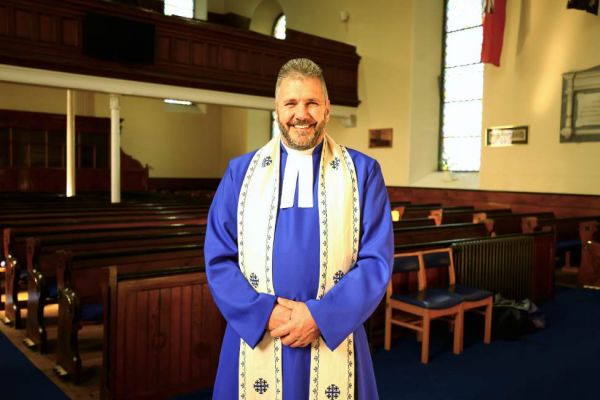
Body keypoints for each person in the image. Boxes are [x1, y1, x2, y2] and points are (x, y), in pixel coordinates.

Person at [204, 58, 393, 400]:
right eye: (291, 103)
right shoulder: (240, 174)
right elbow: (219, 259)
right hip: (259, 334)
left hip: (335, 335)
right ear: (276, 109)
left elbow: (377, 262)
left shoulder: (363, 174)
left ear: (327, 109)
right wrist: (263, 313)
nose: (301, 114)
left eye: (311, 103)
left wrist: (321, 317)